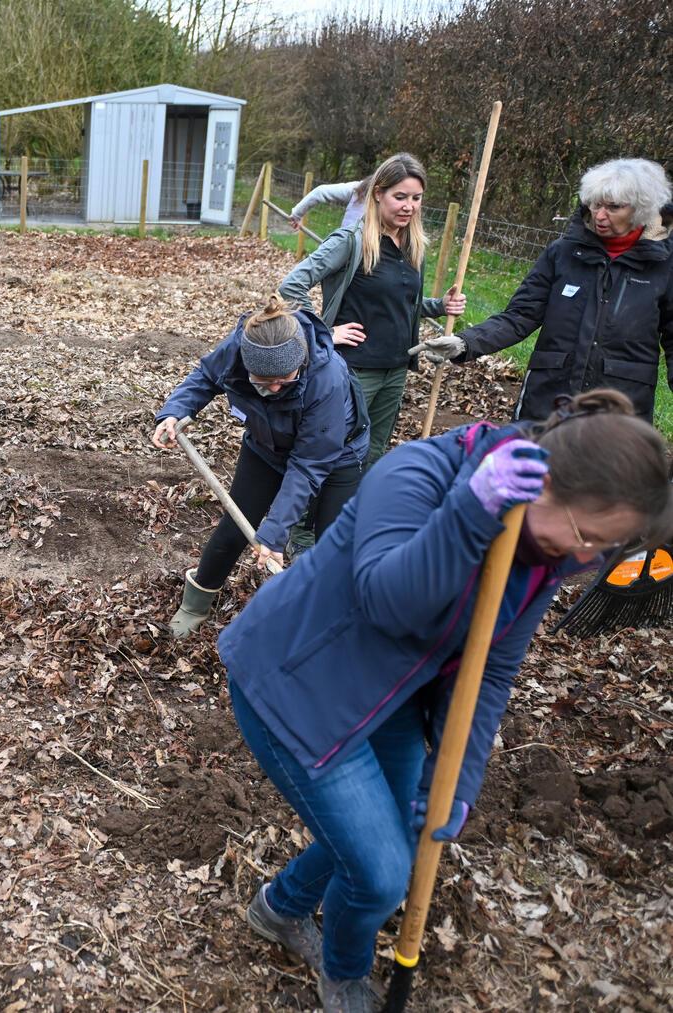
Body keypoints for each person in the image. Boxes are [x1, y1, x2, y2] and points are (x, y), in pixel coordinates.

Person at [218, 388, 672, 1012]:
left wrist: (456, 779)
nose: (587, 558)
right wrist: (471, 514)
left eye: (604, 548)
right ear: (548, 486)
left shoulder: (549, 550)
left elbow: (492, 667)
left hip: (391, 696)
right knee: (380, 876)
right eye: (586, 535)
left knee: (394, 832)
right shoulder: (420, 474)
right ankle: (345, 973)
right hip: (296, 683)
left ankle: (278, 908)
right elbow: (387, 600)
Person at [152, 295, 369, 638]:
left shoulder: (327, 378)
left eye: (284, 380)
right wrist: (176, 410)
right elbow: (208, 376)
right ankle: (194, 605)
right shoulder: (240, 347)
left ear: (300, 360)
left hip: (337, 456)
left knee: (332, 544)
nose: (273, 389)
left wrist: (276, 531)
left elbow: (309, 464)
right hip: (266, 444)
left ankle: (329, 626)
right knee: (234, 527)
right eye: (262, 381)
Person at [419, 158, 672, 423]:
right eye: (596, 204)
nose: (599, 215)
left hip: (619, 409)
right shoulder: (563, 253)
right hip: (548, 401)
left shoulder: (664, 265)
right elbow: (520, 316)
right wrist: (465, 342)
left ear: (641, 209)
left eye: (613, 207)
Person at [280, 153, 467, 469]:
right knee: (334, 452)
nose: (409, 206)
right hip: (355, 370)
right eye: (400, 197)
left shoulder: (413, 247)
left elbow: (398, 304)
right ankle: (308, 519)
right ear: (378, 193)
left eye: (416, 198)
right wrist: (323, 332)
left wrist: (440, 306)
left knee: (372, 454)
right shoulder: (352, 241)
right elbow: (292, 284)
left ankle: (356, 515)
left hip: (395, 368)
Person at [288, 177, 369, 231]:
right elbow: (320, 192)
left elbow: (320, 191)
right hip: (345, 248)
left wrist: (296, 215)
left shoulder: (360, 187)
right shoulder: (360, 188)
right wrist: (296, 216)